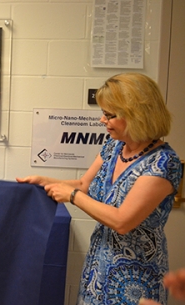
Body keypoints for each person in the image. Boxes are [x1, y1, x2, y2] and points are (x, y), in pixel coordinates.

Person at [17, 73, 182, 305]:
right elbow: (84, 185)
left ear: (137, 115)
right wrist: (45, 181)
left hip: (134, 276)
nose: (102, 121)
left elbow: (123, 221)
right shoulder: (114, 146)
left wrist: (72, 197)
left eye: (109, 115)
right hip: (98, 267)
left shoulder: (163, 163)